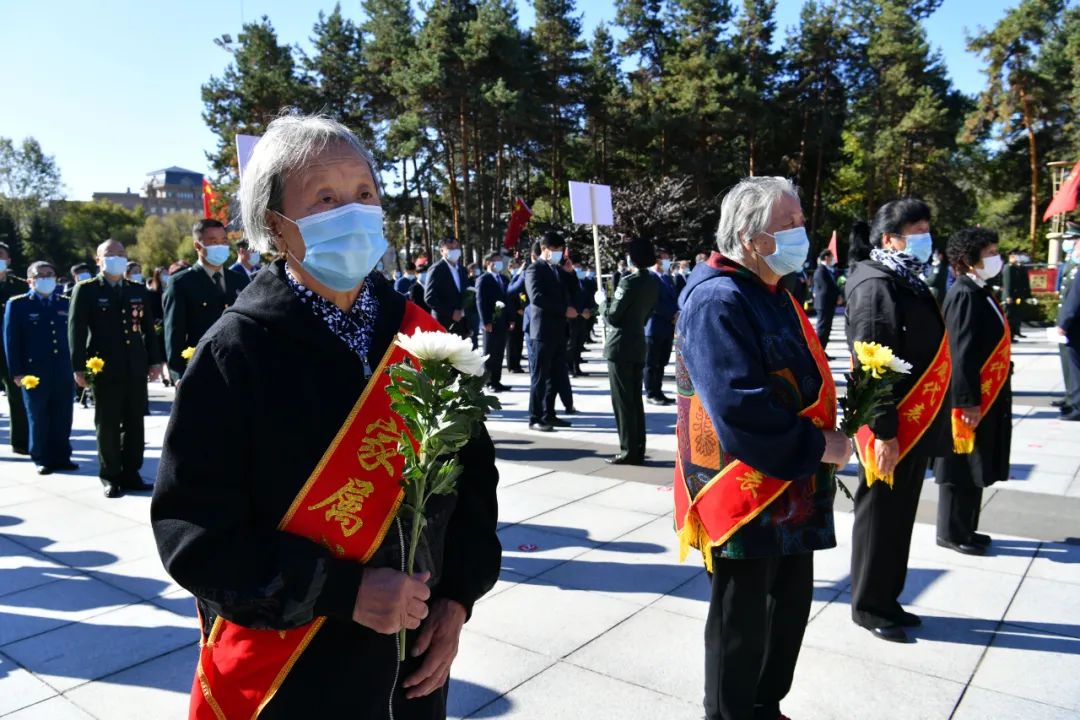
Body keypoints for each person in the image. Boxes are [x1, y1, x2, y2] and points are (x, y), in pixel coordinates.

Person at [151, 113, 500, 720]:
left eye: (364, 194)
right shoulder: (236, 353)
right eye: (326, 198)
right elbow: (195, 536)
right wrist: (345, 591)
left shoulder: (424, 339)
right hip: (295, 675)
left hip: (414, 666)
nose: (353, 213)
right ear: (274, 226)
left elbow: (473, 483)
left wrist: (456, 601)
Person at [675, 177, 849, 720]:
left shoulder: (773, 290)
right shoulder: (717, 299)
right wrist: (818, 445)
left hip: (789, 488)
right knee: (742, 623)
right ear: (752, 238)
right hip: (745, 495)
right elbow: (739, 409)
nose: (803, 232)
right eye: (791, 224)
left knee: (786, 611)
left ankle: (764, 706)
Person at [845, 198, 951, 643]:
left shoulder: (903, 278)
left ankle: (888, 597)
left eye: (928, 229)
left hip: (914, 424)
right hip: (892, 425)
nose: (926, 239)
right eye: (916, 231)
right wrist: (885, 431)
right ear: (889, 238)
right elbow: (874, 364)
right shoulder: (874, 284)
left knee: (900, 515)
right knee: (880, 514)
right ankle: (869, 605)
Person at [933, 228, 1011, 555]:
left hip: (986, 393)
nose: (996, 257)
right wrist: (967, 401)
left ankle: (968, 526)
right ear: (968, 259)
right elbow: (960, 351)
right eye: (989, 252)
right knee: (960, 465)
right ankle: (952, 531)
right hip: (967, 398)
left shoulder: (980, 290)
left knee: (975, 463)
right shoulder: (964, 293)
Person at [69, 239, 163, 498]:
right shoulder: (86, 290)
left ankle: (131, 473)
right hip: (103, 367)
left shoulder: (136, 289)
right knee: (108, 424)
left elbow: (148, 331)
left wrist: (155, 361)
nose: (117, 258)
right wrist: (78, 368)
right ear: (98, 260)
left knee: (135, 423)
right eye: (110, 254)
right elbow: (76, 332)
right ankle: (110, 476)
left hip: (134, 366)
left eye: (121, 253)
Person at [3, 261, 77, 475]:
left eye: (49, 274)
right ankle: (41, 457)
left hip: (62, 368)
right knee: (38, 415)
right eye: (40, 275)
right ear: (30, 280)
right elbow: (12, 341)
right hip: (33, 371)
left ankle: (62, 455)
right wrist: (16, 371)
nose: (46, 278)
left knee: (63, 414)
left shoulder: (65, 302)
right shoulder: (18, 304)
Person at [163, 219, 245, 381]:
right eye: (213, 242)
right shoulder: (181, 282)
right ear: (198, 246)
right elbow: (175, 333)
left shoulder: (239, 280)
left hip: (238, 366)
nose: (220, 246)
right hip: (200, 368)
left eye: (223, 241)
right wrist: (178, 374)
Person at [602, 239, 658, 465]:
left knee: (623, 402)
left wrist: (601, 305)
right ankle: (638, 447)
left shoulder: (628, 283)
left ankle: (628, 451)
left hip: (619, 347)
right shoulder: (653, 282)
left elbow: (613, 317)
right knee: (635, 400)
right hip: (637, 344)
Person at [525, 232, 577, 432]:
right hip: (542, 332)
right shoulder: (534, 269)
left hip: (557, 331)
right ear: (544, 249)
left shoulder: (556, 269)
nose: (558, 254)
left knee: (555, 375)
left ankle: (550, 413)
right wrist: (564, 310)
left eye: (560, 250)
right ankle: (535, 416)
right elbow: (537, 298)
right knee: (539, 376)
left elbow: (572, 289)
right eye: (555, 250)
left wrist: (570, 272)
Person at [0, 243, 29, 455]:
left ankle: (20, 441)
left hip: (10, 350)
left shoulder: (19, 287)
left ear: (9, 260)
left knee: (17, 397)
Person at [644, 248, 678, 405]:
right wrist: (671, 315)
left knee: (662, 362)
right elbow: (653, 303)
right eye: (664, 259)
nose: (667, 262)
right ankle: (651, 393)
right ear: (656, 260)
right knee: (651, 363)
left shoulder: (667, 278)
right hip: (654, 326)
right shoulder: (649, 278)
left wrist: (677, 313)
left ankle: (659, 391)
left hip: (667, 327)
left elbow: (673, 299)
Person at [476, 252, 511, 392]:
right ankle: (489, 381)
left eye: (499, 260)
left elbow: (508, 300)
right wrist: (485, 321)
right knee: (490, 353)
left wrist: (510, 319)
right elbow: (480, 301)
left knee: (499, 352)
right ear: (488, 263)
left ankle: (497, 380)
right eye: (495, 260)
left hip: (502, 321)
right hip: (490, 322)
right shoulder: (483, 279)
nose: (498, 263)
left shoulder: (503, 278)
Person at [1055, 228, 1079, 412]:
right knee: (1067, 361)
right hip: (1069, 323)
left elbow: (1074, 298)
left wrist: (1065, 322)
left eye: (1073, 239)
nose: (1070, 243)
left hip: (1074, 323)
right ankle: (1071, 395)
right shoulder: (1071, 263)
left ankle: (1075, 401)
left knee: (1074, 364)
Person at [424, 238, 468, 337]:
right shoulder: (436, 269)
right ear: (442, 251)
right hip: (443, 324)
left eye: (456, 247)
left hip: (461, 324)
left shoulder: (462, 270)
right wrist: (451, 313)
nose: (455, 250)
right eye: (450, 248)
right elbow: (429, 298)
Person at [812, 249, 840, 348]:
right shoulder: (821, 271)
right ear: (826, 257)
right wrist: (837, 295)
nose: (833, 259)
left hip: (828, 304)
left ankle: (822, 351)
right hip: (823, 304)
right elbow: (826, 288)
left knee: (827, 329)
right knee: (822, 329)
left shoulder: (828, 270)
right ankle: (818, 351)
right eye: (832, 257)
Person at [1001, 251, 1031, 340]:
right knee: (1009, 316)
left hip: (1015, 295)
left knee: (1015, 315)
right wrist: (1008, 296)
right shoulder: (1008, 268)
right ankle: (1008, 335)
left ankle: (1013, 333)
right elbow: (1008, 283)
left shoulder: (1016, 267)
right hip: (1010, 296)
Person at [505, 258, 527, 373]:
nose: (516, 269)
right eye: (514, 267)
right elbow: (509, 298)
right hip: (512, 315)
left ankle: (517, 364)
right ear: (509, 268)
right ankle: (511, 365)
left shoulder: (519, 279)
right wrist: (517, 309)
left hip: (521, 315)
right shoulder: (507, 279)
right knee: (511, 342)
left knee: (519, 341)